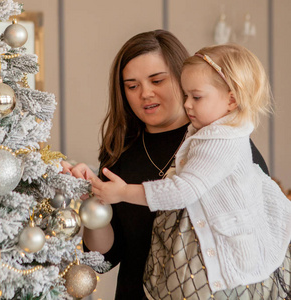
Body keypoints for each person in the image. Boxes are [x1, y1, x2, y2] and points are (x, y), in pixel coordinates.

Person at [61, 30, 288, 299]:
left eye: (157, 80)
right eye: (132, 86)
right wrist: (93, 200)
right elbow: (105, 259)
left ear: (184, 80)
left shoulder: (224, 144)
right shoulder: (119, 155)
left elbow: (262, 232)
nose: (145, 93)